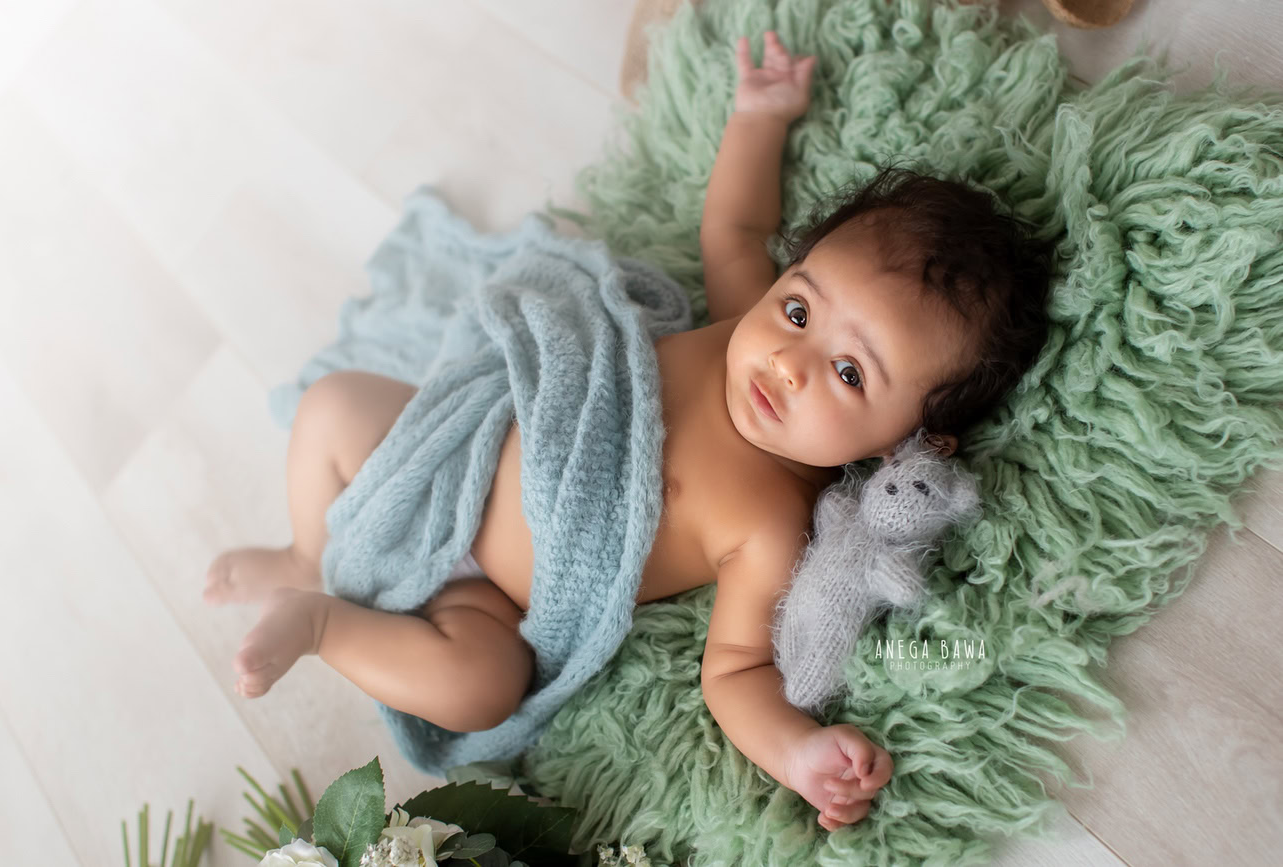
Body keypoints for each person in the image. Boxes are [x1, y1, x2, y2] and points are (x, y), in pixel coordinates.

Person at [203, 30, 1053, 833]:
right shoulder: (734, 332)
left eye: (850, 373)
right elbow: (735, 230)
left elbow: (737, 674)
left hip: (492, 597)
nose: (790, 360)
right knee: (332, 404)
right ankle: (303, 550)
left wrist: (797, 751)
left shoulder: (770, 526)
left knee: (480, 688)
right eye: (798, 307)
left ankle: (320, 622)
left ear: (905, 442)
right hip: (455, 454)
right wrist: (757, 118)